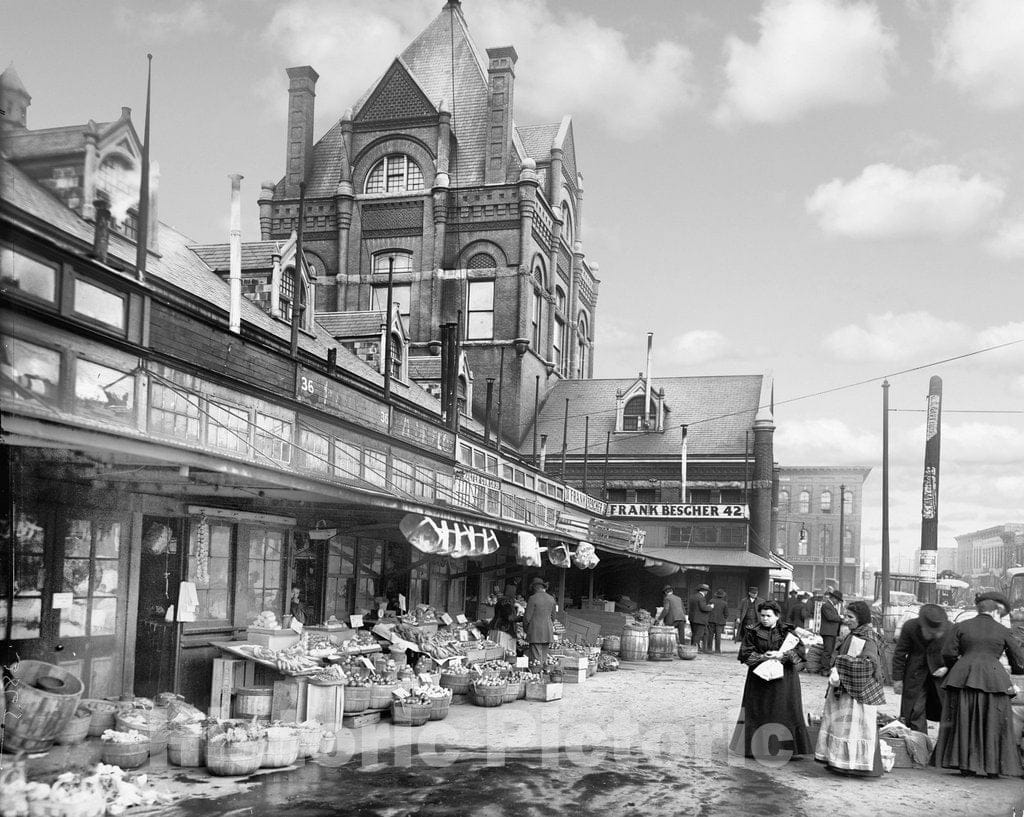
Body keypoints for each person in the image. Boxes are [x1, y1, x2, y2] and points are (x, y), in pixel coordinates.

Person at [933, 591, 1024, 778]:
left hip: (962, 677)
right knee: (993, 721)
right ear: (994, 612)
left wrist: (958, 666)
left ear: (978, 609)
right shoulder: (1003, 631)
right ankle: (992, 768)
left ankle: (965, 766)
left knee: (963, 720)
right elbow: (1019, 659)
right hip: (994, 678)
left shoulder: (961, 626)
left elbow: (948, 653)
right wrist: (1013, 671)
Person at [729, 599, 811, 760]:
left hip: (784, 680)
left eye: (768, 615)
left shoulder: (788, 631)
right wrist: (762, 657)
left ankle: (785, 749)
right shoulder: (752, 631)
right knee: (758, 711)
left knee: (783, 710)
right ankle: (755, 748)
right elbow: (744, 654)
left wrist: (782, 655)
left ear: (777, 616)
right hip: (759, 679)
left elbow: (801, 652)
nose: (764, 619)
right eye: (762, 615)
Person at [814, 599, 886, 776]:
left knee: (852, 727)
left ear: (861, 618)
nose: (846, 619)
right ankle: (838, 761)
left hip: (857, 693)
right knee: (842, 726)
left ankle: (851, 765)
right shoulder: (853, 634)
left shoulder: (867, 638)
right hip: (847, 686)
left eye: (850, 616)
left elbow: (868, 665)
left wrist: (839, 662)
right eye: (845, 615)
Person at [891, 603, 949, 734]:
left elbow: (956, 654)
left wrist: (947, 667)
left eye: (936, 632)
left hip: (941, 677)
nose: (933, 634)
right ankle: (919, 745)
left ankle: (942, 750)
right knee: (914, 711)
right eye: (929, 631)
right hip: (915, 675)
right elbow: (900, 653)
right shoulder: (910, 627)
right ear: (922, 626)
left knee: (946, 712)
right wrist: (897, 679)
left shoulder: (950, 629)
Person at [524, 577, 557, 668]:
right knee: (544, 655)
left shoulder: (532, 598)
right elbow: (553, 617)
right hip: (547, 631)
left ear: (535, 587)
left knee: (535, 657)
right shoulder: (551, 598)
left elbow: (527, 617)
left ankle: (537, 675)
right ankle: (542, 672)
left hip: (535, 631)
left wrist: (526, 630)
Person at [818, 589, 843, 675]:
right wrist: (841, 619)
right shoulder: (826, 606)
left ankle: (826, 669)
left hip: (831, 632)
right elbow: (830, 617)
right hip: (828, 632)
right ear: (834, 598)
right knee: (827, 651)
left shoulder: (830, 606)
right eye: (838, 600)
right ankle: (824, 670)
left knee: (829, 651)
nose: (838, 602)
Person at [688, 584, 712, 652]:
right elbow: (703, 608)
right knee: (698, 634)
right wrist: (710, 607)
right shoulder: (702, 598)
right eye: (707, 591)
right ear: (705, 591)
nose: (707, 592)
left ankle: (693, 647)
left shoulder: (693, 597)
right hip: (700, 619)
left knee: (694, 634)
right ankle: (694, 648)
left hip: (692, 618)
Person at [706, 589, 729, 654]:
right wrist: (724, 618)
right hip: (720, 622)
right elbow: (726, 613)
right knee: (718, 636)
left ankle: (709, 649)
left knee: (710, 635)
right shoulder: (725, 603)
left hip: (711, 620)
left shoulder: (711, 601)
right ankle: (717, 650)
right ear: (722, 596)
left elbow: (708, 609)